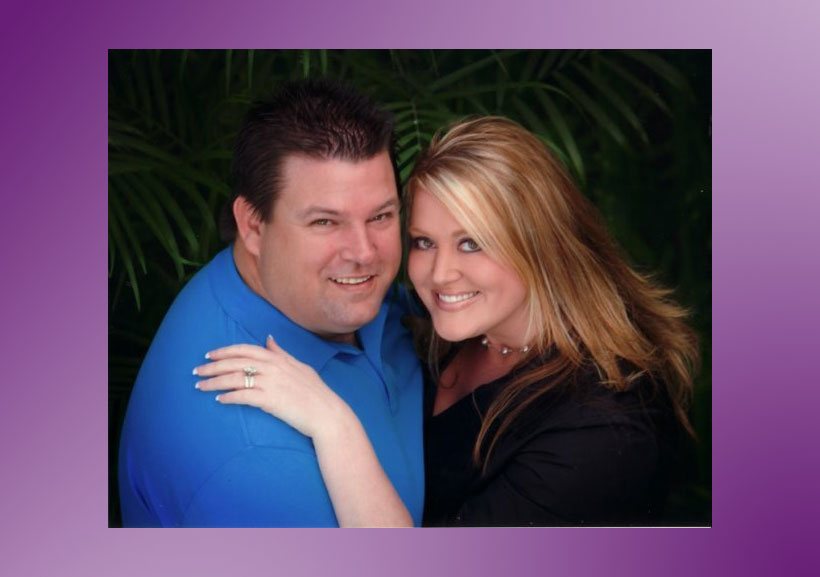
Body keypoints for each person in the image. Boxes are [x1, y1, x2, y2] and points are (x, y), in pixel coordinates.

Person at [195, 116, 699, 526]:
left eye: (471, 243)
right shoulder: (445, 326)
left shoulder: (602, 431)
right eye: (423, 242)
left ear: (541, 243)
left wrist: (333, 425)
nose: (438, 275)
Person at [118, 79, 424, 527]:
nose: (364, 252)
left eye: (380, 216)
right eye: (325, 222)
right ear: (253, 226)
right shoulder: (255, 463)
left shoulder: (326, 294)